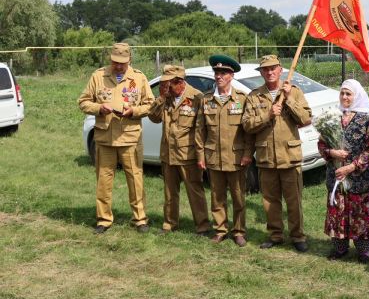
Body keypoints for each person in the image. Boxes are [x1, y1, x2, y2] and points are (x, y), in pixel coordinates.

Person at [77, 42, 154, 234]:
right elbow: (83, 101)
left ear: (130, 60)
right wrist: (98, 108)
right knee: (104, 180)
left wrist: (134, 111)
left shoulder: (139, 77)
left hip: (130, 139)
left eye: (122, 63)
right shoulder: (98, 76)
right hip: (105, 139)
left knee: (135, 179)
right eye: (115, 62)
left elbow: (150, 104)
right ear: (110, 59)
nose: (118, 66)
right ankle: (104, 219)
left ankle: (140, 219)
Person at [242, 55, 312, 252]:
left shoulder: (294, 92)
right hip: (266, 157)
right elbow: (247, 125)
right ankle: (276, 235)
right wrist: (268, 115)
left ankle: (297, 236)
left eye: (273, 68)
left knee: (294, 200)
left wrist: (288, 99)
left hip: (289, 156)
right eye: (265, 69)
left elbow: (306, 119)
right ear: (261, 72)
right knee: (270, 201)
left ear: (280, 70)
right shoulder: (254, 96)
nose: (270, 72)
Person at [195, 55, 254, 246]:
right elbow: (199, 130)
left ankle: (238, 231)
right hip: (214, 157)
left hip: (236, 158)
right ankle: (220, 229)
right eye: (217, 73)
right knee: (217, 197)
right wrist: (200, 155)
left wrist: (247, 153)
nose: (218, 76)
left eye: (223, 73)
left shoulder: (242, 99)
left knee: (238, 196)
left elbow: (248, 131)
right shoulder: (206, 100)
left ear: (231, 76)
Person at [318, 79, 369, 263]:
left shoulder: (366, 118)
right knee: (338, 210)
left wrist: (352, 167)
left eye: (348, 94)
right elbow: (321, 143)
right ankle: (340, 248)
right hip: (336, 174)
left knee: (360, 212)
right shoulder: (332, 116)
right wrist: (331, 152)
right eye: (342, 93)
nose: (345, 97)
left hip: (358, 176)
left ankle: (363, 251)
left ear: (356, 96)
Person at [148, 64, 211, 236]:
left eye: (168, 84)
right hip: (168, 153)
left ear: (180, 82)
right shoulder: (166, 97)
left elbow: (201, 130)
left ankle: (203, 226)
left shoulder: (197, 97)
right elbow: (153, 118)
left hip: (188, 155)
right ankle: (169, 223)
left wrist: (201, 156)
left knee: (195, 191)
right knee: (170, 193)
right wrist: (161, 98)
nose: (165, 87)